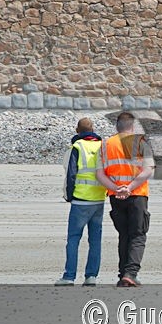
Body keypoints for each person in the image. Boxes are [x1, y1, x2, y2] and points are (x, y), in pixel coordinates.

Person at [95, 112, 155, 287]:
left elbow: (100, 174)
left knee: (124, 235)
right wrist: (129, 188)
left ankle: (123, 274)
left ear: (117, 126)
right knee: (137, 235)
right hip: (137, 195)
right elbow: (147, 170)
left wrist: (116, 188)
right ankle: (131, 273)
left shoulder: (105, 145)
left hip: (116, 196)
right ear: (133, 126)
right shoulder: (141, 142)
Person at [55, 118, 107, 286]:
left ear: (77, 130)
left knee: (73, 239)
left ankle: (69, 276)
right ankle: (91, 276)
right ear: (92, 129)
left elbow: (71, 174)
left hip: (80, 200)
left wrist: (69, 196)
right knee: (95, 240)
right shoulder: (102, 147)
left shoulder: (77, 147)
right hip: (98, 199)